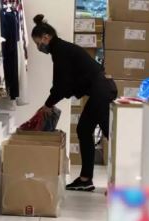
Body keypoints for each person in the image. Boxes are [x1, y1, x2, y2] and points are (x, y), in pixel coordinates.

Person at [31, 14, 117, 192]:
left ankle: (121, 180)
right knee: (86, 130)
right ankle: (86, 179)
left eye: (38, 43)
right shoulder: (60, 49)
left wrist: (48, 104)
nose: (39, 47)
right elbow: (66, 84)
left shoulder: (60, 51)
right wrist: (51, 101)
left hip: (101, 90)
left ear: (46, 37)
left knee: (109, 135)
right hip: (101, 90)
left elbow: (61, 85)